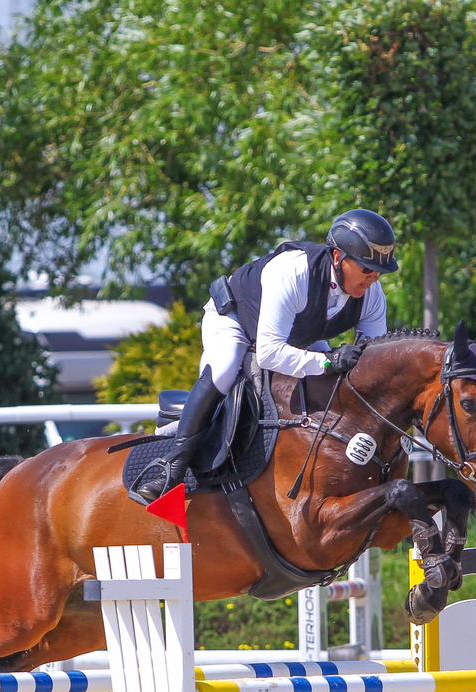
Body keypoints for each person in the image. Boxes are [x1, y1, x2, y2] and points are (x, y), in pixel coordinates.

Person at [128, 208, 397, 504]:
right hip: (235, 320)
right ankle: (172, 465)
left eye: (378, 272)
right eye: (366, 269)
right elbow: (269, 354)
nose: (373, 279)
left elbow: (373, 359)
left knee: (331, 380)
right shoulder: (294, 272)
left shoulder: (372, 295)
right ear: (337, 257)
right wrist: (330, 360)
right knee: (226, 367)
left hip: (297, 335)